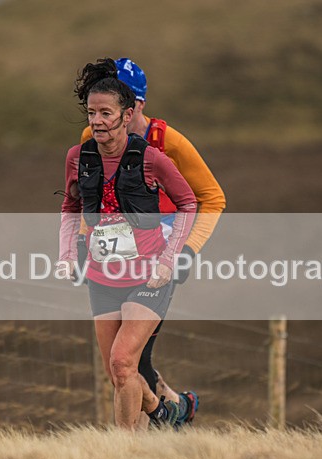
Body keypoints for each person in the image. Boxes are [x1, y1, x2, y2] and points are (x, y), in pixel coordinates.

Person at [79, 58, 226, 424]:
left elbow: (212, 198)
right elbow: (87, 195)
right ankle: (174, 410)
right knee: (127, 363)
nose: (102, 120)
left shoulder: (167, 142)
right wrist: (84, 241)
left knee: (129, 361)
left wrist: (188, 250)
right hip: (113, 259)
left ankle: (151, 431)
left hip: (158, 255)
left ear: (136, 106)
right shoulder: (90, 139)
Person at [58, 58, 197, 430]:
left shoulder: (154, 156)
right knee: (120, 373)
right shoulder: (79, 156)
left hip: (150, 275)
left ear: (127, 114)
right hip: (103, 277)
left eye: (106, 112)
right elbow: (70, 204)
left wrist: (174, 256)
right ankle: (165, 411)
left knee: (124, 362)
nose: (98, 120)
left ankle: (124, 452)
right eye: (91, 113)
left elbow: (191, 202)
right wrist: (68, 253)